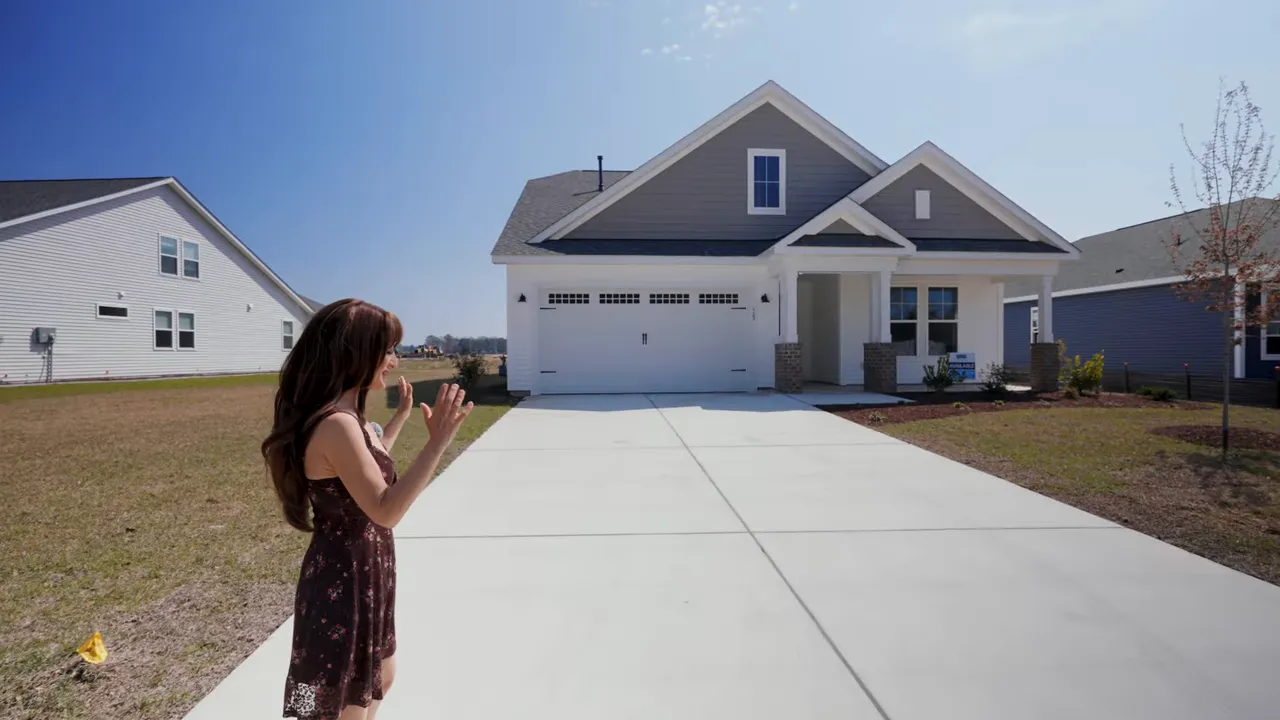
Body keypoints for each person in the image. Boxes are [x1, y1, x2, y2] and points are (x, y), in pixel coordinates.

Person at [262, 299, 473, 719]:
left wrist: (398, 420)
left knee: (378, 679)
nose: (394, 361)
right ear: (356, 353)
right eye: (388, 350)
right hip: (342, 581)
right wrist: (438, 443)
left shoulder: (346, 416)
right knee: (336, 702)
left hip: (365, 572)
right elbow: (384, 508)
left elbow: (363, 472)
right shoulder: (336, 423)